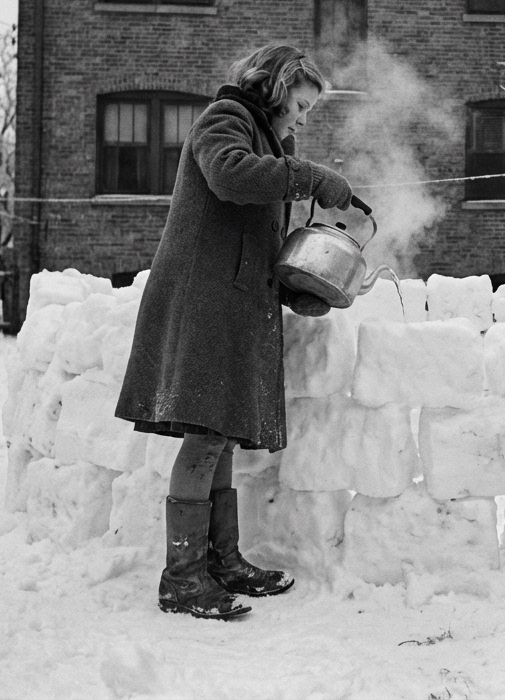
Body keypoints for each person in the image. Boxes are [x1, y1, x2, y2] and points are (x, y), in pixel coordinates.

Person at [115, 44, 354, 620]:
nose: (301, 119)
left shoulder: (273, 144)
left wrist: (296, 285)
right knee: (204, 437)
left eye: (308, 112)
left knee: (217, 431)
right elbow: (229, 176)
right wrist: (311, 177)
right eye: (300, 105)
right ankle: (183, 578)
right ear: (274, 87)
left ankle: (221, 561)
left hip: (236, 301)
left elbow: (258, 236)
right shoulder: (224, 121)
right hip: (205, 301)